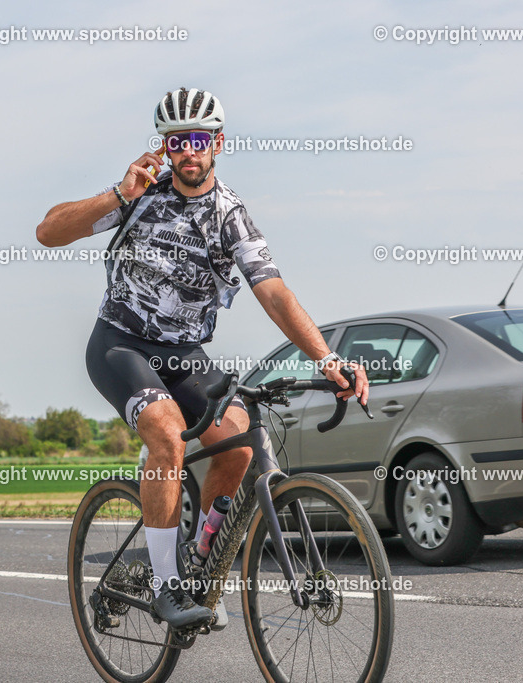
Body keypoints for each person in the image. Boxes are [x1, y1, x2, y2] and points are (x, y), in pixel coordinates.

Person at [36, 87, 368, 630]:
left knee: (237, 442)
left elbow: (274, 292)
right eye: (175, 142)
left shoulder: (229, 213)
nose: (187, 152)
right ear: (164, 148)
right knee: (166, 432)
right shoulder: (140, 193)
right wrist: (116, 197)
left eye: (196, 140)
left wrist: (328, 359)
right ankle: (167, 588)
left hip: (184, 352)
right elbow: (48, 232)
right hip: (120, 344)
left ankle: (193, 563)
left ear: (216, 143)